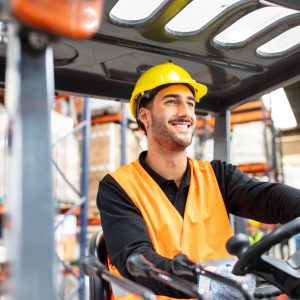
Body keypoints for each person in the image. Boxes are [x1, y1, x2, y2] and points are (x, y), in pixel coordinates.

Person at [97, 62, 300, 299]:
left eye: (190, 103)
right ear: (145, 116)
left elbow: (270, 198)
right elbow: (136, 260)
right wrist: (204, 281)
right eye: (172, 101)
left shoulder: (217, 176)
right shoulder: (118, 187)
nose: (185, 111)